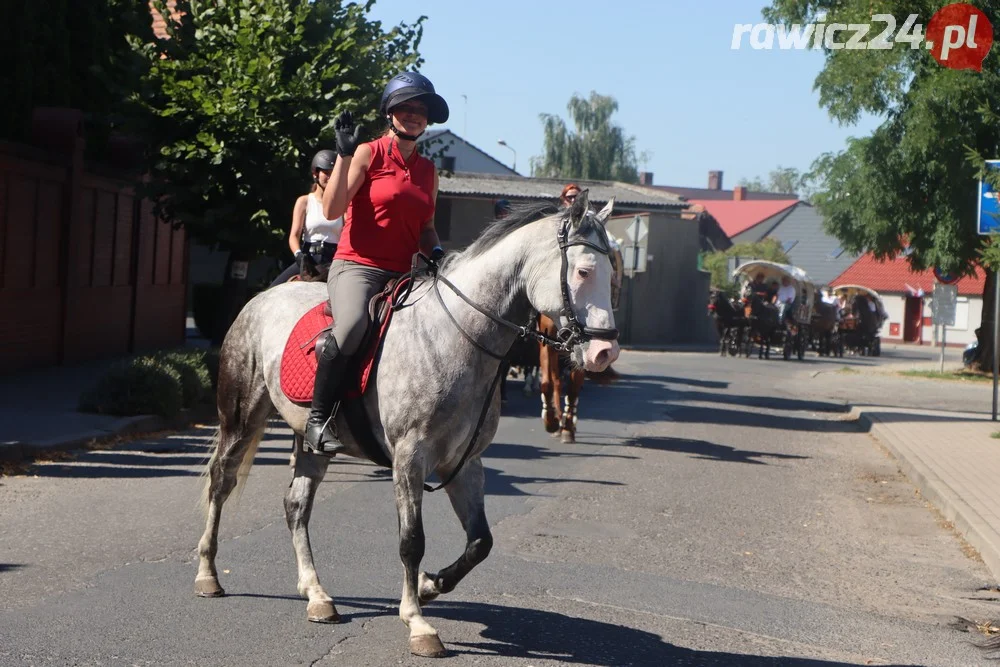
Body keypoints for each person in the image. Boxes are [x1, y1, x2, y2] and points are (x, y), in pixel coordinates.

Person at [304, 72, 449, 454]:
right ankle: (318, 420)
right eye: (406, 107)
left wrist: (436, 253)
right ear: (389, 113)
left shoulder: (429, 171)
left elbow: (428, 227)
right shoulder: (369, 152)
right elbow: (334, 208)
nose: (415, 115)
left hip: (405, 272)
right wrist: (345, 155)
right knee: (352, 328)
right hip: (359, 266)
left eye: (421, 109)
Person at [270, 150, 344, 286]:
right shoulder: (304, 201)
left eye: (333, 174)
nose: (330, 177)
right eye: (326, 173)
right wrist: (299, 256)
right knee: (272, 288)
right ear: (316, 174)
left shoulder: (343, 204)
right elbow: (294, 235)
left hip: (334, 260)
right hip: (308, 258)